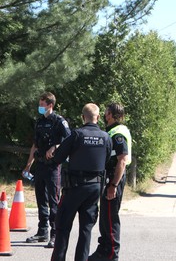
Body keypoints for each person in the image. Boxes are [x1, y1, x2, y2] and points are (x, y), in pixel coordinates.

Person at [50, 103, 112, 261]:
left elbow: (58, 158)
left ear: (83, 117)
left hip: (74, 187)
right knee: (86, 230)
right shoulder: (106, 137)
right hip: (94, 188)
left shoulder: (76, 134)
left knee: (63, 227)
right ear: (98, 117)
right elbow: (107, 162)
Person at [24, 92, 71, 248]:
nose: (40, 107)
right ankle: (42, 231)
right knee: (40, 199)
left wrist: (55, 146)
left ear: (50, 105)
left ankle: (55, 234)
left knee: (54, 200)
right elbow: (35, 145)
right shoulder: (39, 122)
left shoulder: (59, 122)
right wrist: (28, 165)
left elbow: (69, 141)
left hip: (53, 167)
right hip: (40, 165)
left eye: (42, 105)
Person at [88, 102, 132, 261]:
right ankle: (103, 249)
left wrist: (113, 185)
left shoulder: (118, 134)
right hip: (110, 177)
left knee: (110, 217)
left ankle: (111, 253)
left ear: (112, 115)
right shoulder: (112, 131)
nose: (105, 114)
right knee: (105, 216)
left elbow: (122, 160)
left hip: (114, 178)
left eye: (107, 111)